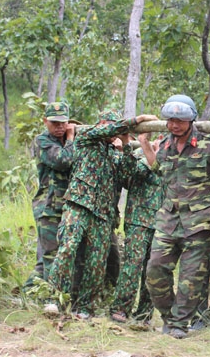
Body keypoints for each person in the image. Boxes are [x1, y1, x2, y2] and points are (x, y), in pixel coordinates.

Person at [140, 94, 210, 339]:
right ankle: (168, 318)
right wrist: (144, 145)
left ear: (191, 119)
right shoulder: (164, 144)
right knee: (155, 271)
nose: (175, 125)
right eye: (171, 120)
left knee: (191, 278)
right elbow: (159, 169)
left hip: (198, 223)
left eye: (180, 120)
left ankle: (180, 325)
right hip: (168, 221)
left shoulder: (208, 143)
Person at [48, 110, 158, 319]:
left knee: (96, 263)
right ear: (102, 124)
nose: (112, 130)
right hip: (79, 204)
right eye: (110, 125)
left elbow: (129, 175)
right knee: (67, 249)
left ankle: (84, 308)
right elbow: (106, 130)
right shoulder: (87, 138)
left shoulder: (115, 153)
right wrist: (135, 121)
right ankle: (54, 299)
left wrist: (125, 145)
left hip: (103, 214)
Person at [110, 133, 164, 324]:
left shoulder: (172, 158)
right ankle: (121, 308)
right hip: (138, 220)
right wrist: (148, 150)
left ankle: (144, 315)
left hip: (162, 224)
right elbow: (131, 174)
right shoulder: (139, 154)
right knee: (132, 265)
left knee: (153, 270)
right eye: (161, 137)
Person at [25, 102, 75, 291]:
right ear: (45, 121)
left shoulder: (67, 140)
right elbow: (63, 160)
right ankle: (51, 296)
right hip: (48, 207)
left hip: (64, 206)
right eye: (54, 123)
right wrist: (71, 138)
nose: (59, 127)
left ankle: (28, 292)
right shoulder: (42, 141)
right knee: (50, 255)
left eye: (63, 123)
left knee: (47, 256)